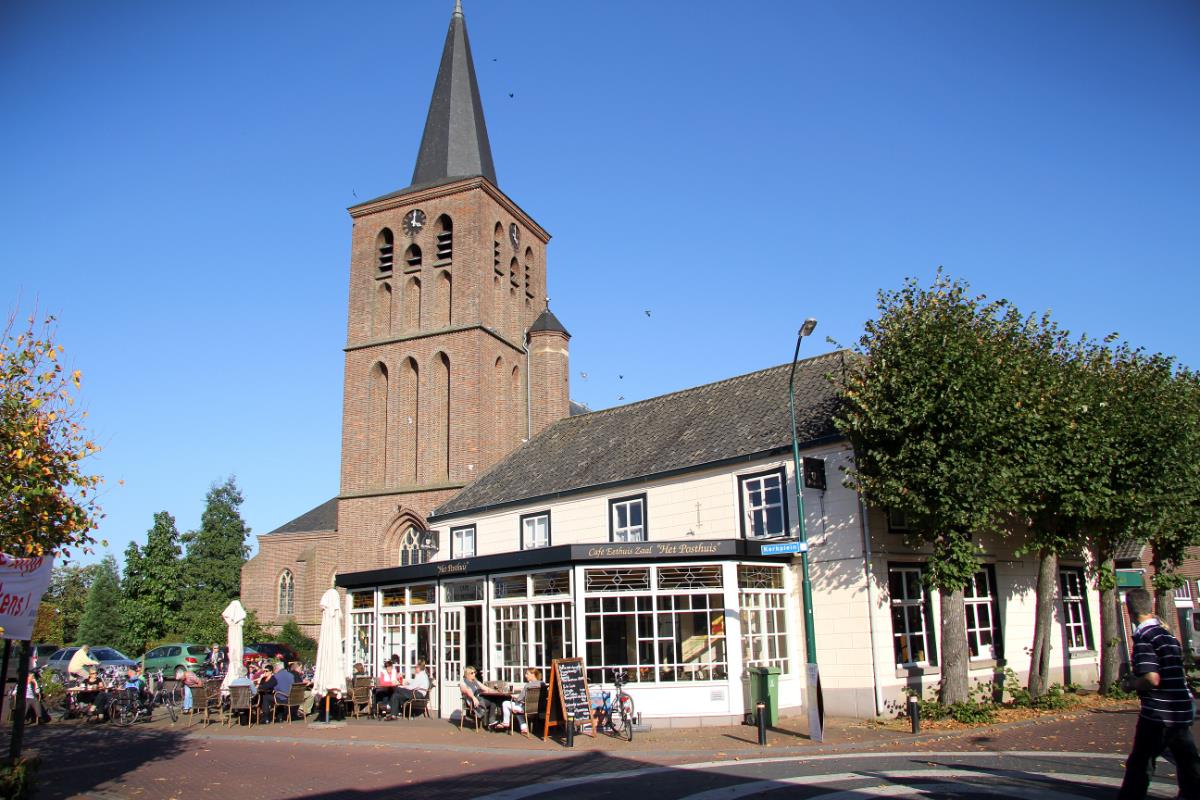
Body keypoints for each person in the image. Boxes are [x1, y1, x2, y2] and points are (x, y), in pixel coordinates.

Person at [1118, 587, 1200, 800]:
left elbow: (1151, 679)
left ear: (1130, 611)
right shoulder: (1168, 635)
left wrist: (1131, 684)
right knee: (1187, 760)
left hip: (1158, 713)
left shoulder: (1144, 637)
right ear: (1151, 606)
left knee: (1140, 762)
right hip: (1179, 708)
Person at [494, 667, 542, 736]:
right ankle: (524, 728)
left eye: (527, 674)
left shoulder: (528, 685)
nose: (525, 675)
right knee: (516, 708)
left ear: (533, 674)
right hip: (537, 708)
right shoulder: (541, 684)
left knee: (505, 703)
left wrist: (514, 696)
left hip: (525, 708)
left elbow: (519, 698)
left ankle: (506, 722)